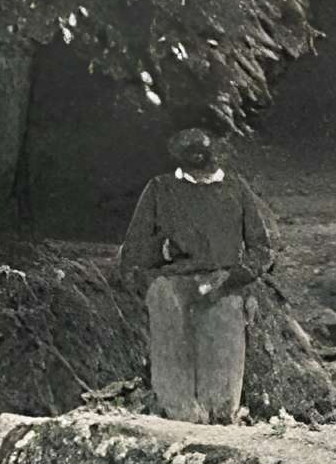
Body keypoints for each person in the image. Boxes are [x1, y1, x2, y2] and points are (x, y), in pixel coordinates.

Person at [116, 128, 275, 424]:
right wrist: (164, 252)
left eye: (204, 149)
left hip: (223, 283)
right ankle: (180, 417)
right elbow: (133, 251)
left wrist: (235, 278)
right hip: (172, 282)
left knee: (222, 385)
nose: (199, 157)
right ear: (177, 157)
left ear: (215, 152)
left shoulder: (235, 189)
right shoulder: (160, 188)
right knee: (167, 313)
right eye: (189, 151)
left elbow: (262, 249)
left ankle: (220, 419)